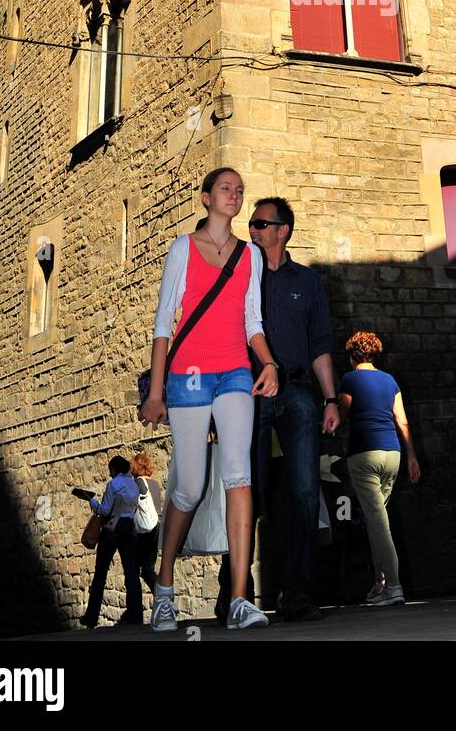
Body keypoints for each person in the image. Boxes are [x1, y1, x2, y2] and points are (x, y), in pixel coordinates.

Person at [141, 166, 279, 633]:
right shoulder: (183, 248)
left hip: (236, 372)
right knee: (190, 488)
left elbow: (253, 322)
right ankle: (163, 589)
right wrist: (156, 393)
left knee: (240, 476)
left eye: (240, 190)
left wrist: (269, 364)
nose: (235, 196)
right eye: (226, 188)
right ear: (205, 198)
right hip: (189, 376)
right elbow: (164, 323)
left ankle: (241, 598)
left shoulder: (250, 256)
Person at [216, 196, 339, 623]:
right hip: (248, 393)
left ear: (283, 230)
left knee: (305, 492)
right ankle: (233, 592)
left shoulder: (307, 282)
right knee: (247, 489)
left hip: (299, 393)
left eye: (261, 224)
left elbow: (321, 346)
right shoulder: (239, 277)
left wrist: (330, 399)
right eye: (250, 224)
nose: (252, 230)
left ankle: (299, 594)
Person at [339, 331, 420, 607]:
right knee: (378, 522)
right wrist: (412, 457)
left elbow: (341, 416)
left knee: (378, 522)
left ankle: (394, 586)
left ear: (352, 356)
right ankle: (379, 585)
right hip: (393, 454)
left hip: (364, 455)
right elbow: (403, 422)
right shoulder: (390, 380)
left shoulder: (350, 379)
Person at [81, 455, 144, 628]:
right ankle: (136, 614)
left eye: (110, 470)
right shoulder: (134, 484)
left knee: (100, 574)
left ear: (114, 469)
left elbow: (105, 509)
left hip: (112, 530)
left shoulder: (113, 484)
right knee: (131, 573)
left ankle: (91, 617)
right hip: (129, 528)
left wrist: (91, 500)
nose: (109, 474)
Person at [130, 453, 162, 599]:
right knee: (148, 568)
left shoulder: (138, 483)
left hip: (142, 530)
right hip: (156, 527)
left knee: (135, 571)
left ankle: (136, 610)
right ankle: (162, 596)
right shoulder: (155, 484)